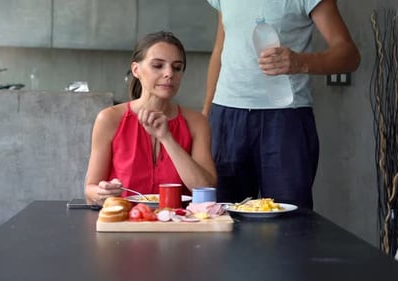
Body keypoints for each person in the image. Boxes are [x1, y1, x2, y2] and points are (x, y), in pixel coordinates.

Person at [202, 0, 360, 209]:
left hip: (285, 117)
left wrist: (300, 62)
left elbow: (349, 55)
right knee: (222, 216)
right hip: (226, 115)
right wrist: (206, 112)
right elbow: (220, 48)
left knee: (289, 219)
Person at [85, 31, 217, 205]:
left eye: (177, 67)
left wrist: (166, 138)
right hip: (125, 222)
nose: (169, 73)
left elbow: (205, 189)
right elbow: (90, 190)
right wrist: (102, 192)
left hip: (180, 223)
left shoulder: (197, 122)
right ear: (136, 70)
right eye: (157, 65)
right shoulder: (109, 119)